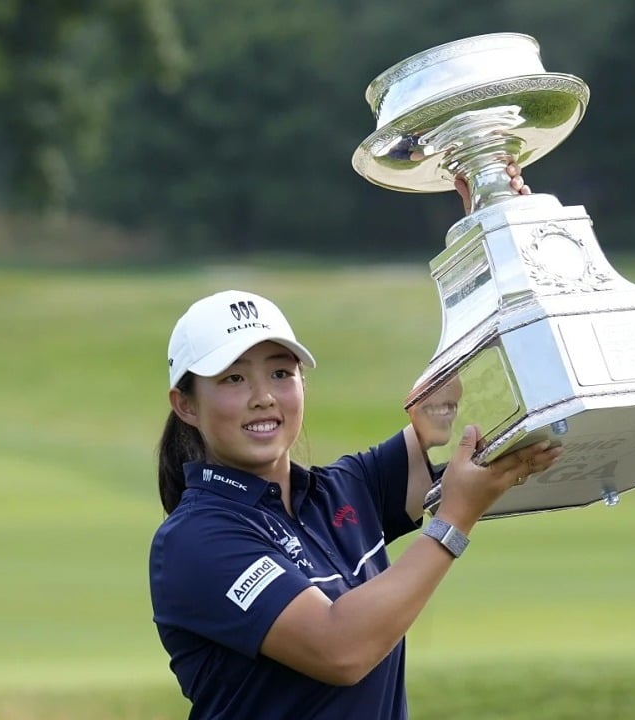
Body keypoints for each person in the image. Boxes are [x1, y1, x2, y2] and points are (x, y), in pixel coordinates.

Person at [148, 164, 558, 719]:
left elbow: (468, 400)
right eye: (233, 379)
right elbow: (340, 648)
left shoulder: (347, 489)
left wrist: (492, 229)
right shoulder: (195, 540)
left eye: (280, 372)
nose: (263, 396)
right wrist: (451, 523)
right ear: (186, 405)